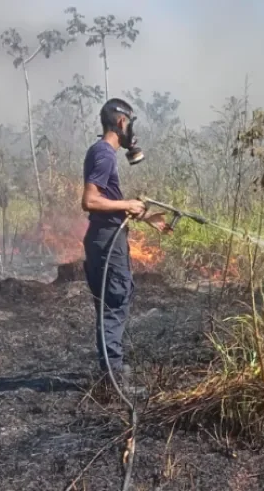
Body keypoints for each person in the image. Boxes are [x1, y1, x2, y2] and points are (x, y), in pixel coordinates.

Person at [81, 98, 168, 396]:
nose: (132, 131)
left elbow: (109, 204)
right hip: (108, 242)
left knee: (109, 305)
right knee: (115, 303)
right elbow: (90, 201)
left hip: (102, 237)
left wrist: (147, 217)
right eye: (130, 123)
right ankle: (114, 380)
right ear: (121, 122)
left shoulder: (101, 153)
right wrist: (128, 203)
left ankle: (110, 372)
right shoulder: (104, 154)